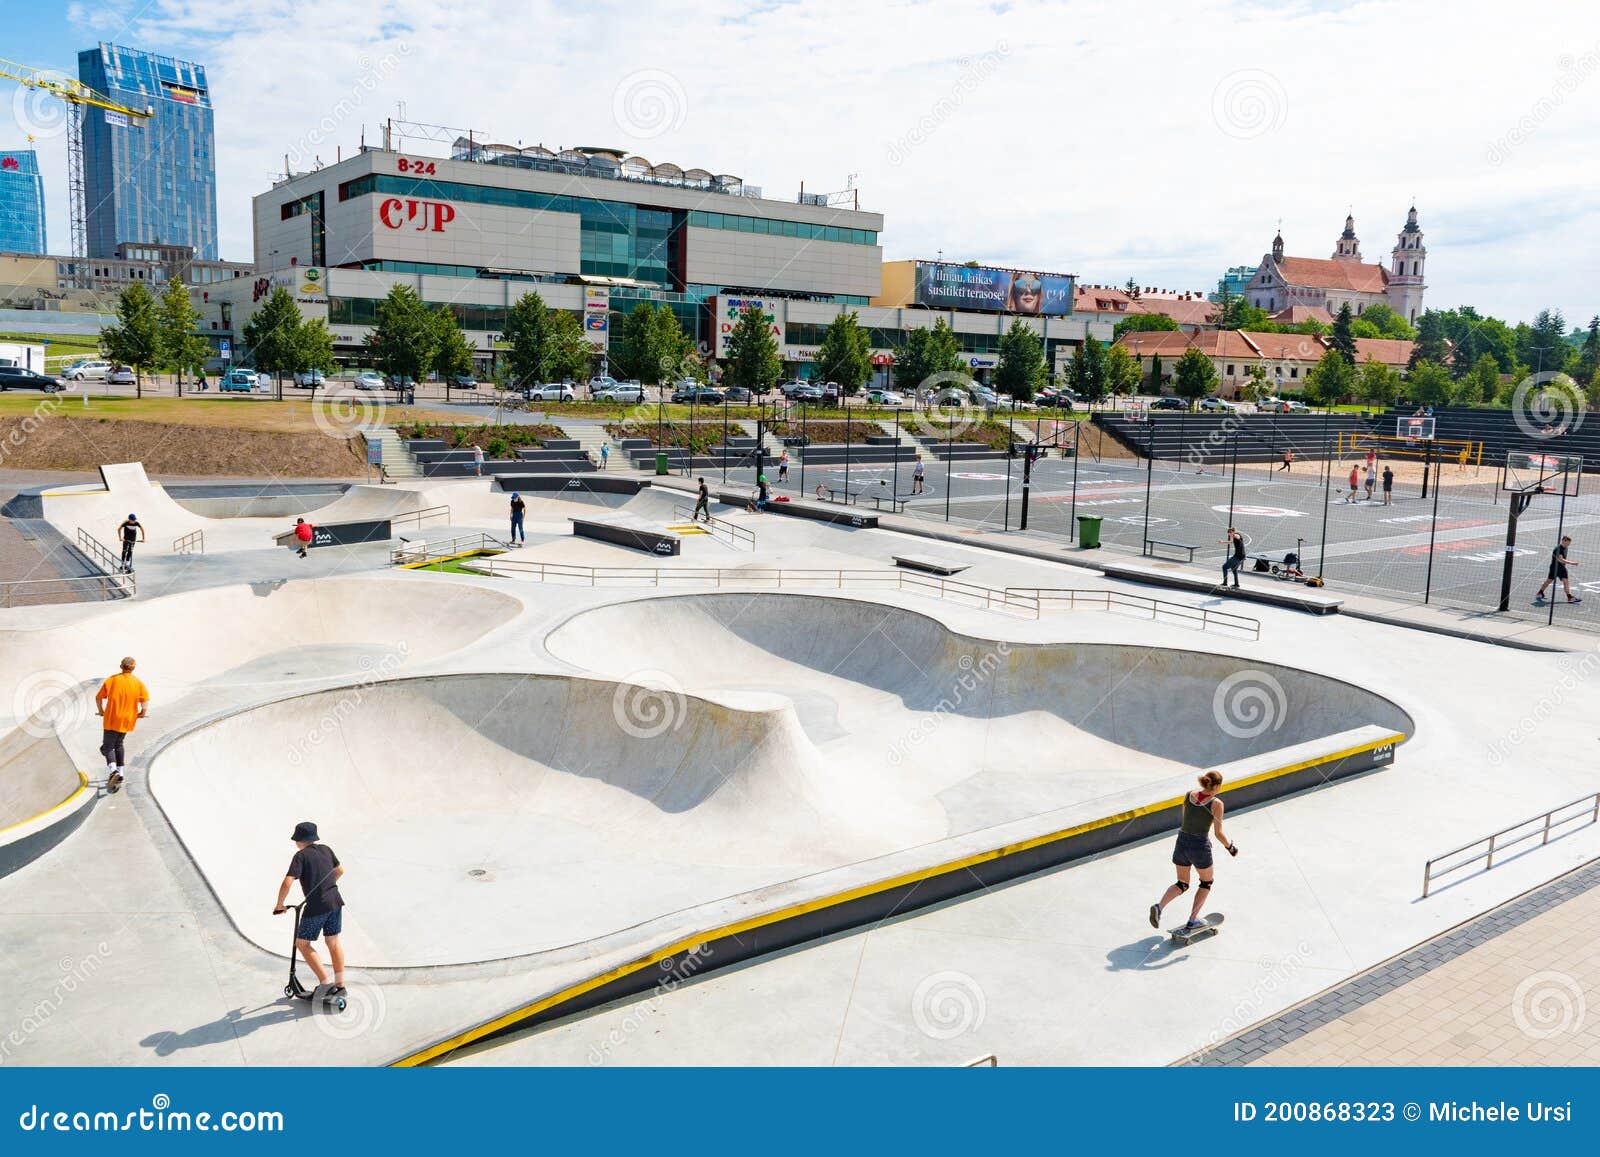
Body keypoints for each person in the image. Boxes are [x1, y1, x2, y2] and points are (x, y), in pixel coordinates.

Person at [1148, 770, 1237, 932]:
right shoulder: (1217, 803)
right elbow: (1219, 833)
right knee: (1206, 882)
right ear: (1216, 786)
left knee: (1182, 883)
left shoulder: (1189, 795)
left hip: (1182, 841)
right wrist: (1230, 847)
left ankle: (1159, 907)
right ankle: (1193, 920)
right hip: (1198, 846)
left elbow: (1186, 819)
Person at [273, 821, 346, 998]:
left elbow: (287, 882)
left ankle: (326, 984)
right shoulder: (326, 849)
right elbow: (340, 870)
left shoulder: (301, 856)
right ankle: (340, 986)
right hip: (335, 901)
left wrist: (280, 905)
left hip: (316, 907)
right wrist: (327, 886)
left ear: (299, 840)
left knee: (302, 944)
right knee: (333, 942)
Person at [94, 656, 148, 793]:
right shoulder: (138, 683)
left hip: (112, 717)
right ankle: (121, 773)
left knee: (107, 746)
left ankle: (113, 771)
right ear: (133, 668)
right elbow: (144, 702)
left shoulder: (112, 680)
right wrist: (142, 712)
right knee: (118, 744)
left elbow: (98, 697)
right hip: (128, 719)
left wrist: (101, 711)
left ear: (120, 666)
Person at [1534, 536, 1582, 605]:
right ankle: (1540, 592)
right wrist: (1572, 563)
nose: (1567, 545)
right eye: (1567, 543)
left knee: (1565, 581)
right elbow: (1561, 560)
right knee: (1549, 581)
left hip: (1562, 568)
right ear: (1563, 541)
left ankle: (1569, 597)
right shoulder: (1558, 549)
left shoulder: (1565, 548)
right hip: (1555, 568)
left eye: (1568, 544)